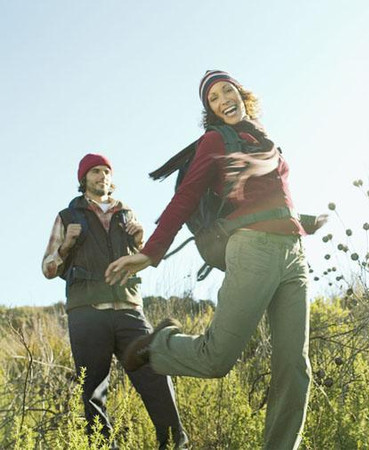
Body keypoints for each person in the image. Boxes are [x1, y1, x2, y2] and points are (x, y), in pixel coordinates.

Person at [105, 70, 325, 450]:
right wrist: (150, 252)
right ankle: (156, 347)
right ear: (210, 110)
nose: (224, 98)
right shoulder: (215, 140)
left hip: (293, 254)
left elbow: (271, 197)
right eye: (214, 98)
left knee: (295, 369)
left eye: (228, 90)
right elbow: (186, 197)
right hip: (252, 248)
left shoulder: (264, 138)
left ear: (241, 93)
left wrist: (304, 221)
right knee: (216, 358)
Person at [42, 153, 188, 449]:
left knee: (155, 371)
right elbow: (48, 268)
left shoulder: (127, 214)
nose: (102, 176)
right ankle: (102, 446)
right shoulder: (67, 217)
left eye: (106, 171)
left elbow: (143, 257)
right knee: (93, 388)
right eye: (95, 171)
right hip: (87, 312)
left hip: (128, 308)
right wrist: (67, 244)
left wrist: (141, 240)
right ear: (83, 179)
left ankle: (174, 443)